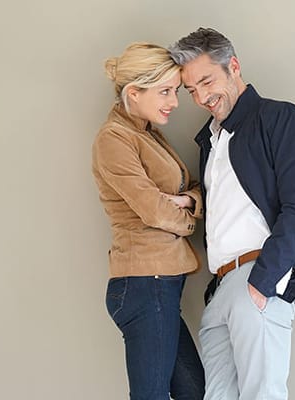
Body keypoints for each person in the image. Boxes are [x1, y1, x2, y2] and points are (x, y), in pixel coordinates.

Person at [169, 28, 295, 400]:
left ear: (234, 67)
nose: (202, 97)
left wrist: (262, 284)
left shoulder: (281, 119)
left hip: (258, 278)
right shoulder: (209, 141)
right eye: (191, 90)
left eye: (206, 81)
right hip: (222, 288)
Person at [92, 42, 205, 400]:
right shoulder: (114, 139)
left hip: (159, 285)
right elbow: (153, 210)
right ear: (134, 92)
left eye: (175, 91)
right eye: (165, 91)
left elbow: (193, 189)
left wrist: (187, 200)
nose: (174, 101)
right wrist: (190, 222)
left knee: (194, 391)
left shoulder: (146, 134)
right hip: (143, 284)